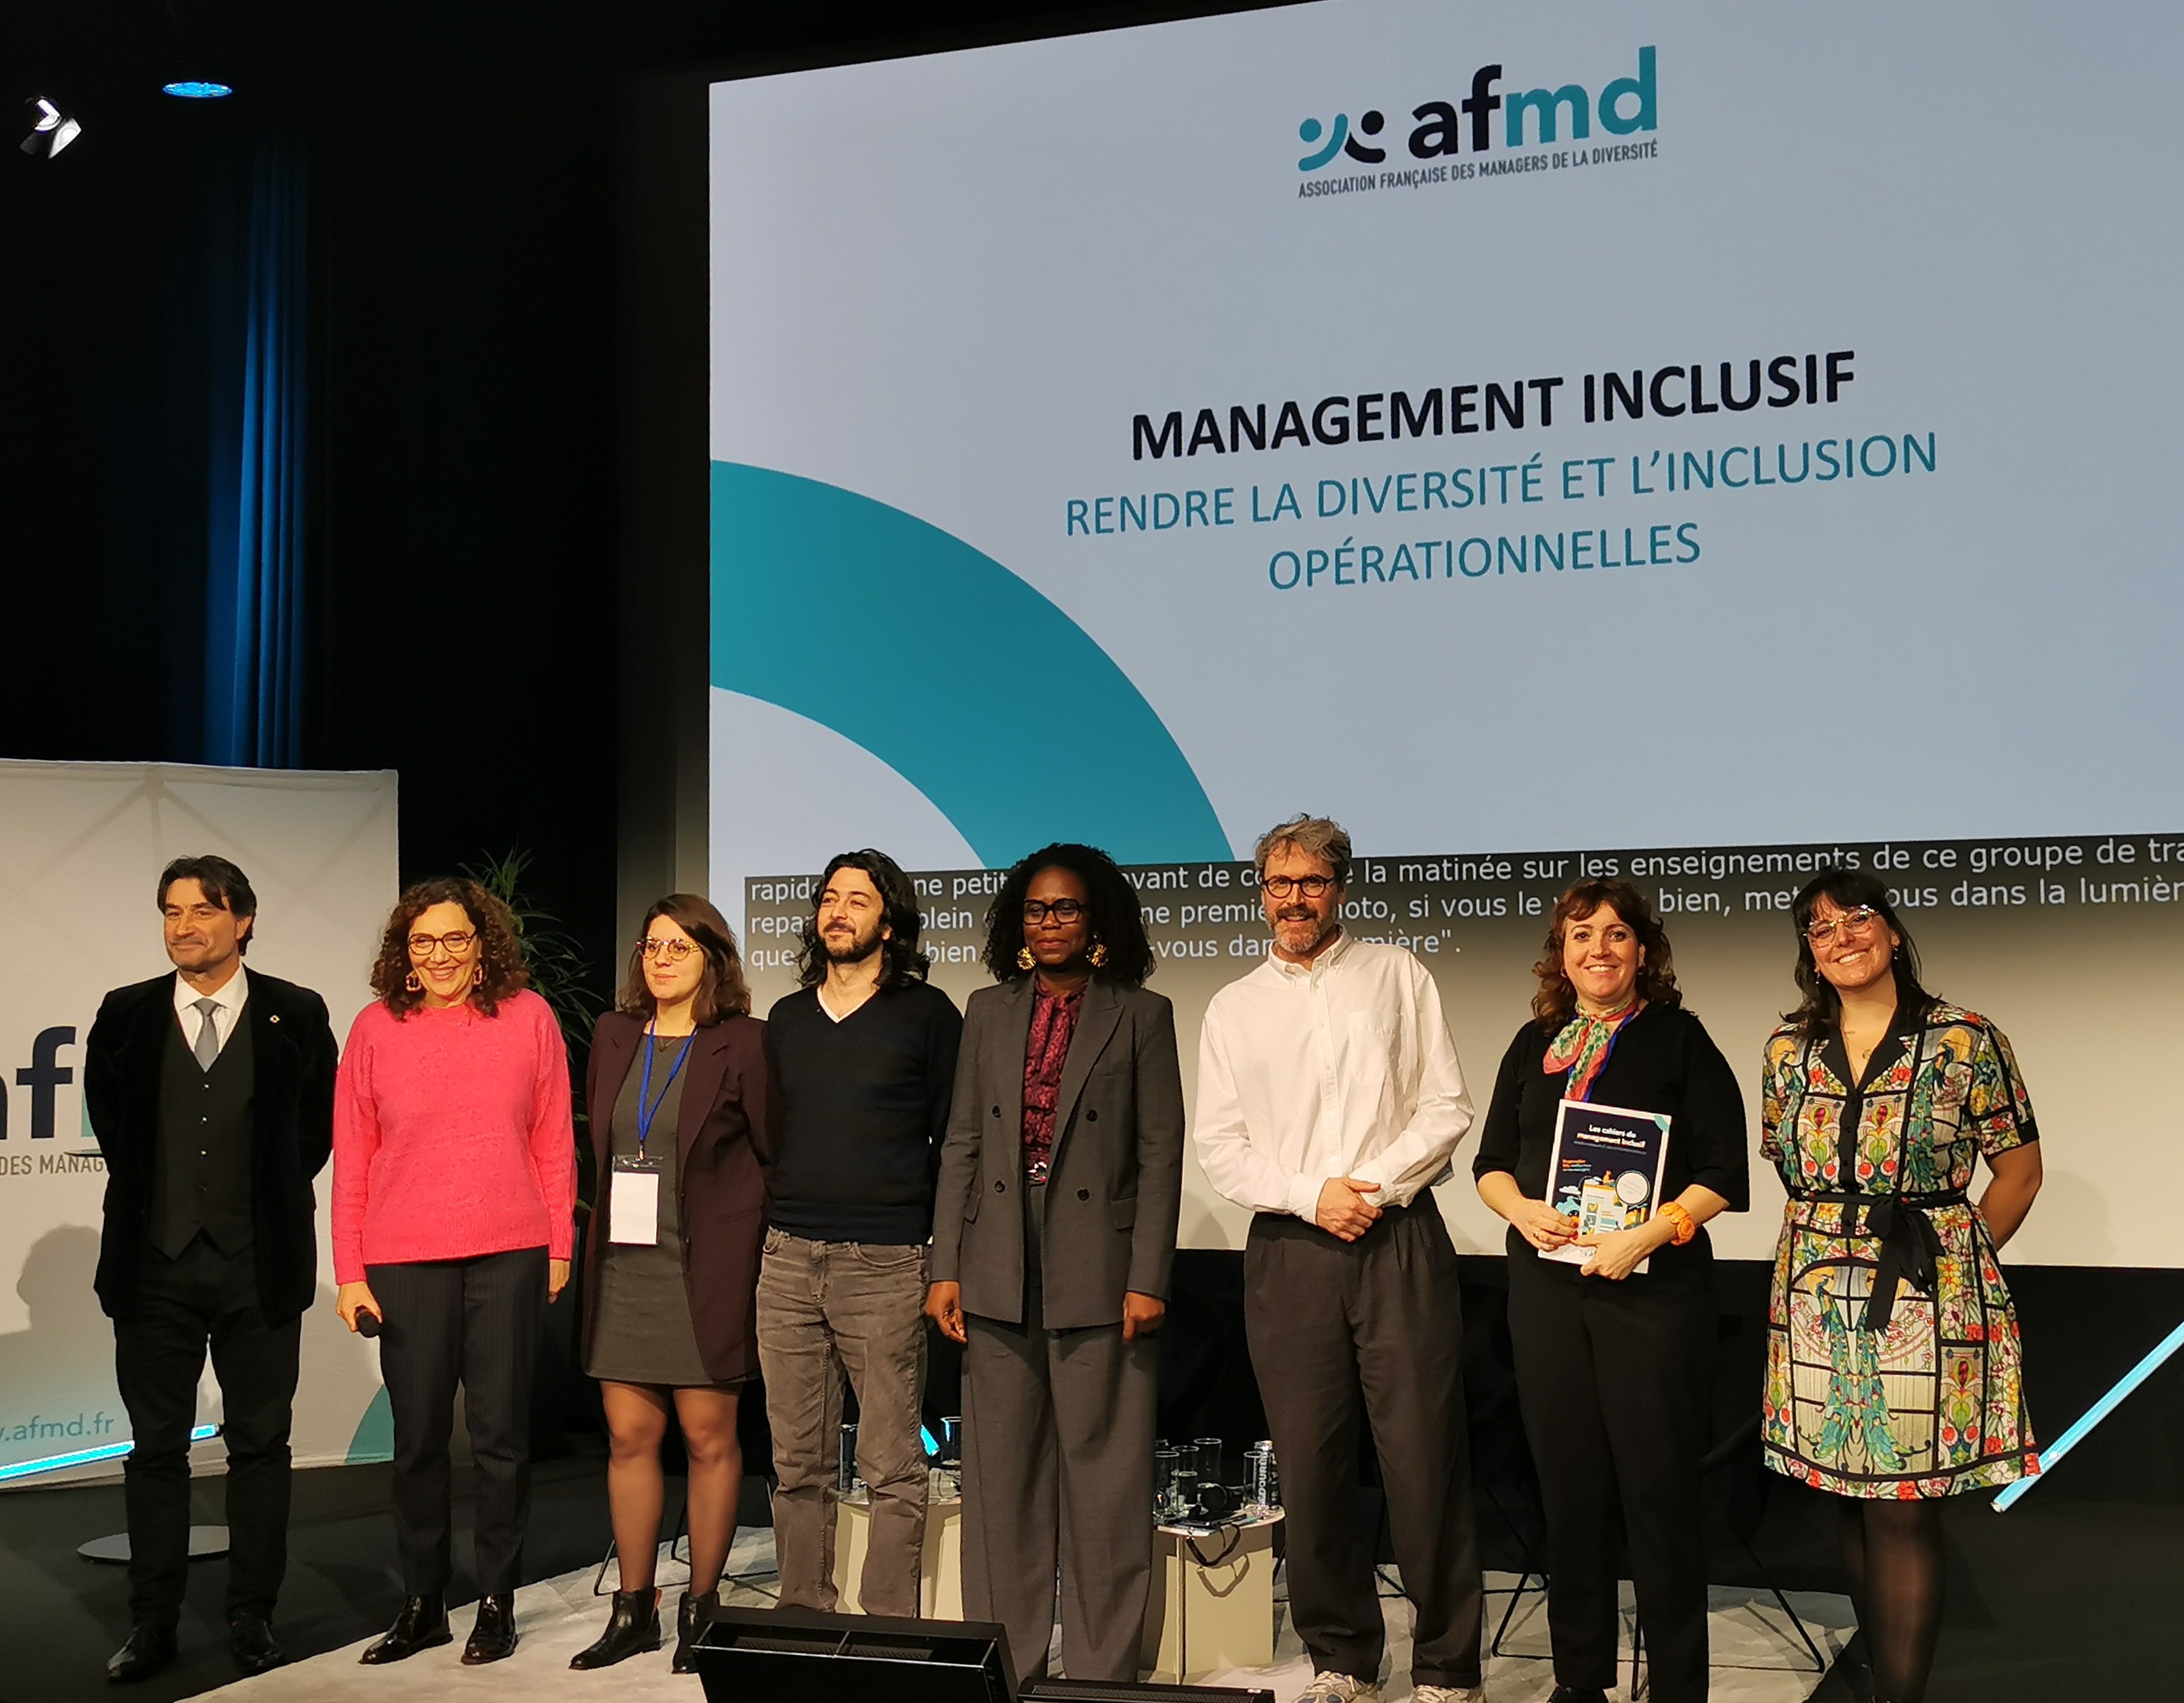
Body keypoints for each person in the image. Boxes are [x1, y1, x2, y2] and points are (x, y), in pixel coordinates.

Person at [1194, 814, 1486, 1703]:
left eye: (1311, 882)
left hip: (1397, 1236)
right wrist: (1311, 1194)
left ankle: (1447, 1668)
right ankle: (1343, 1659)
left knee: (1424, 1461)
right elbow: (1220, 1147)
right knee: (1311, 1466)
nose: (1295, 898)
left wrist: (1370, 1186)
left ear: (1340, 889)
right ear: (1261, 893)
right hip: (1290, 1248)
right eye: (1279, 883)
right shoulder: (1233, 1006)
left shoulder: (1398, 974)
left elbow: (1445, 1105)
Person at [1759, 869, 2041, 1703]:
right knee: (1847, 1496)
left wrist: (1952, 1262)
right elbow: (1785, 1161)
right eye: (1818, 928)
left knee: (1901, 1502)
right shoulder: (1784, 1048)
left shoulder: (1965, 1037)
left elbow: (2019, 1171)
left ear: (1889, 930)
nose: (1839, 936)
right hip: (1813, 1296)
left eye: (1855, 917)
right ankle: (1881, 1672)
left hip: (1923, 1293)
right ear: (1808, 952)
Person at [1473, 881, 1748, 1703]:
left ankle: (1677, 1686)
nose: (1598, 947)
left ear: (1642, 950)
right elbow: (1489, 1164)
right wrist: (1520, 1210)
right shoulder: (1533, 1044)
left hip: (1652, 1297)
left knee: (1658, 1495)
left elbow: (1722, 1172)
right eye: (1580, 934)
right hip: (1546, 1295)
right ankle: (1579, 1678)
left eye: (1616, 933)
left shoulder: (1678, 1038)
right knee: (1568, 1492)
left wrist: (1647, 1232)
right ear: (1559, 953)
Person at [927, 843, 1185, 1685]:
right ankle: (1008, 1667)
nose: (1048, 922)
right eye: (1036, 909)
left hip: (1101, 1269)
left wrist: (1147, 1276)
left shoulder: (1140, 1013)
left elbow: (1160, 1153)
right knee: (1002, 1485)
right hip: (996, 1260)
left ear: (1096, 918)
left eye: (1066, 907)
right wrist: (944, 1264)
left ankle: (1103, 1676)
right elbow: (962, 1141)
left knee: (1105, 1485)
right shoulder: (987, 1009)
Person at [84, 856, 339, 1683]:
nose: (183, 925)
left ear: (244, 920)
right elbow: (115, 1128)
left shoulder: (296, 1011)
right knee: (154, 1448)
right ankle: (152, 1619)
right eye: (171, 910)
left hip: (258, 1269)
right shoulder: (124, 1012)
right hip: (151, 1267)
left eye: (201, 909)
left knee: (261, 1445)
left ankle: (251, 1613)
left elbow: (313, 1132)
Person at [331, 877, 577, 1666]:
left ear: (482, 946)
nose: (439, 955)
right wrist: (349, 1270)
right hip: (402, 1258)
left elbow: (552, 1138)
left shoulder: (529, 1016)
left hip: (509, 1249)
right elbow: (353, 1158)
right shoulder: (373, 1028)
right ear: (405, 952)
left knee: (501, 1436)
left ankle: (497, 1600)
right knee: (416, 1441)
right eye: (423, 941)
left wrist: (559, 1244)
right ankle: (423, 1602)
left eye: (455, 938)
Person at [757, 849, 962, 1616]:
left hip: (885, 1261)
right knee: (796, 1461)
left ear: (890, 921)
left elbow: (956, 1143)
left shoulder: (928, 1014)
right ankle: (803, 1613)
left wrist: (942, 1255)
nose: (838, 911)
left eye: (858, 899)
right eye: (829, 898)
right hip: (787, 1258)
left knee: (890, 1463)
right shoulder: (786, 1018)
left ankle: (887, 1630)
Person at [571, 896, 770, 1673]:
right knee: (628, 1437)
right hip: (625, 1266)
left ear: (711, 958)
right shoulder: (614, 1033)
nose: (659, 958)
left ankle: (702, 1607)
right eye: (650, 946)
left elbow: (771, 1152)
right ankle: (634, 1608)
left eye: (677, 946)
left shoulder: (743, 1041)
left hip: (706, 1267)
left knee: (707, 1438)